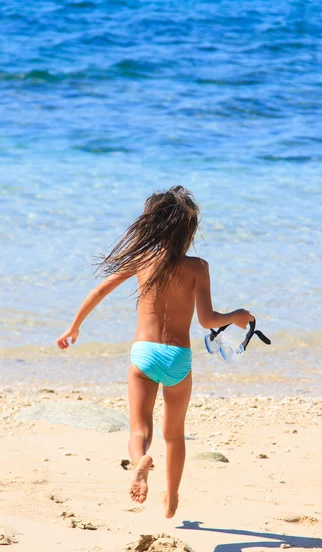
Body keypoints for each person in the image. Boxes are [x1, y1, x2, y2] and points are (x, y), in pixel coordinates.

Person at [56, 185, 253, 518]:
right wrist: (236, 317)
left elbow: (99, 290)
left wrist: (74, 326)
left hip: (144, 354)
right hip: (178, 358)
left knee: (139, 430)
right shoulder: (198, 267)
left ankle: (140, 462)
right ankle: (172, 496)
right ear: (188, 231)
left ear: (152, 225)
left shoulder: (142, 259)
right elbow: (207, 320)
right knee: (174, 434)